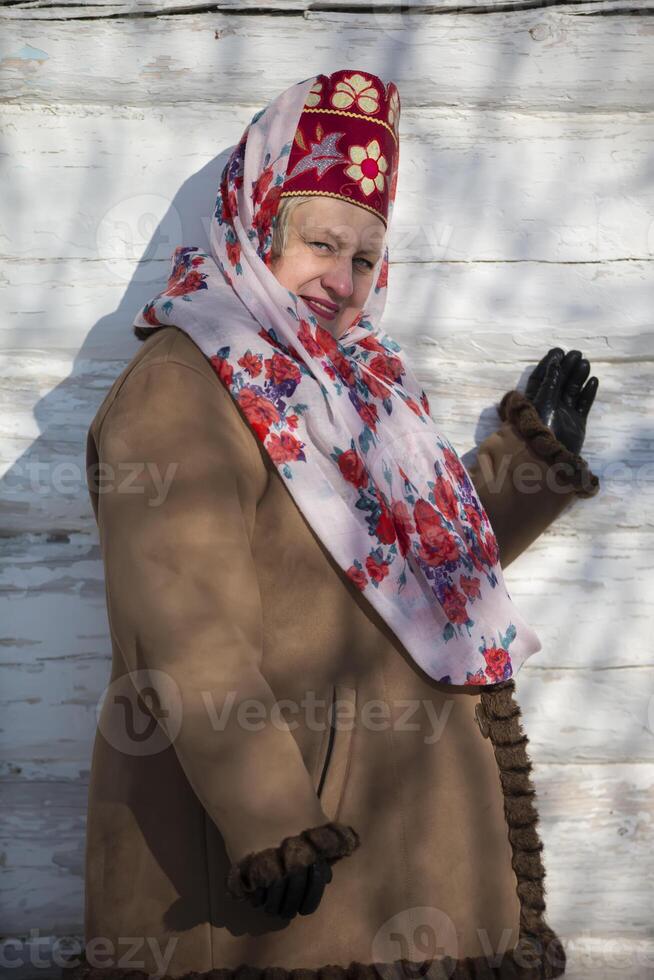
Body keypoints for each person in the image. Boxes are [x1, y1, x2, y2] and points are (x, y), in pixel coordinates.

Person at [73, 69, 599, 980]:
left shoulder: (357, 387)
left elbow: (394, 569)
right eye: (320, 243)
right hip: (292, 891)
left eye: (364, 258)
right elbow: (183, 624)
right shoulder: (185, 387)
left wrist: (525, 466)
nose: (343, 280)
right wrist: (271, 822)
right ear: (254, 225)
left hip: (397, 865)